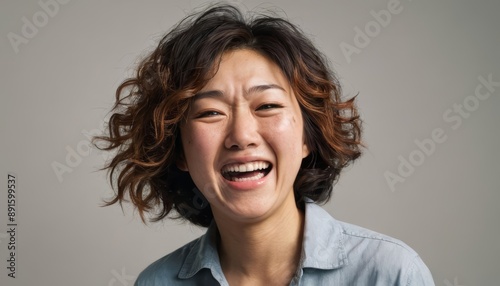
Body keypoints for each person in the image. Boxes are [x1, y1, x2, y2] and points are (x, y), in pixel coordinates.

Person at [96, 3, 435, 285]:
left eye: (267, 106)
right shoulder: (157, 283)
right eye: (211, 112)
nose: (242, 135)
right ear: (178, 149)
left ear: (307, 136)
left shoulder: (389, 273)